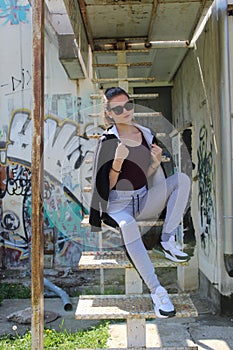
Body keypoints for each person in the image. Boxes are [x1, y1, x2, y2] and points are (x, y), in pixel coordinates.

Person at [89, 87, 190, 318]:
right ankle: (158, 292)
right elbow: (107, 185)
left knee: (181, 180)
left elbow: (143, 175)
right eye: (117, 108)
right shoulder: (108, 141)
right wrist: (117, 161)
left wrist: (154, 163)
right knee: (128, 226)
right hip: (118, 205)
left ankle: (167, 241)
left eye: (128, 105)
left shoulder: (144, 133)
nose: (125, 111)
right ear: (109, 114)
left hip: (143, 199)